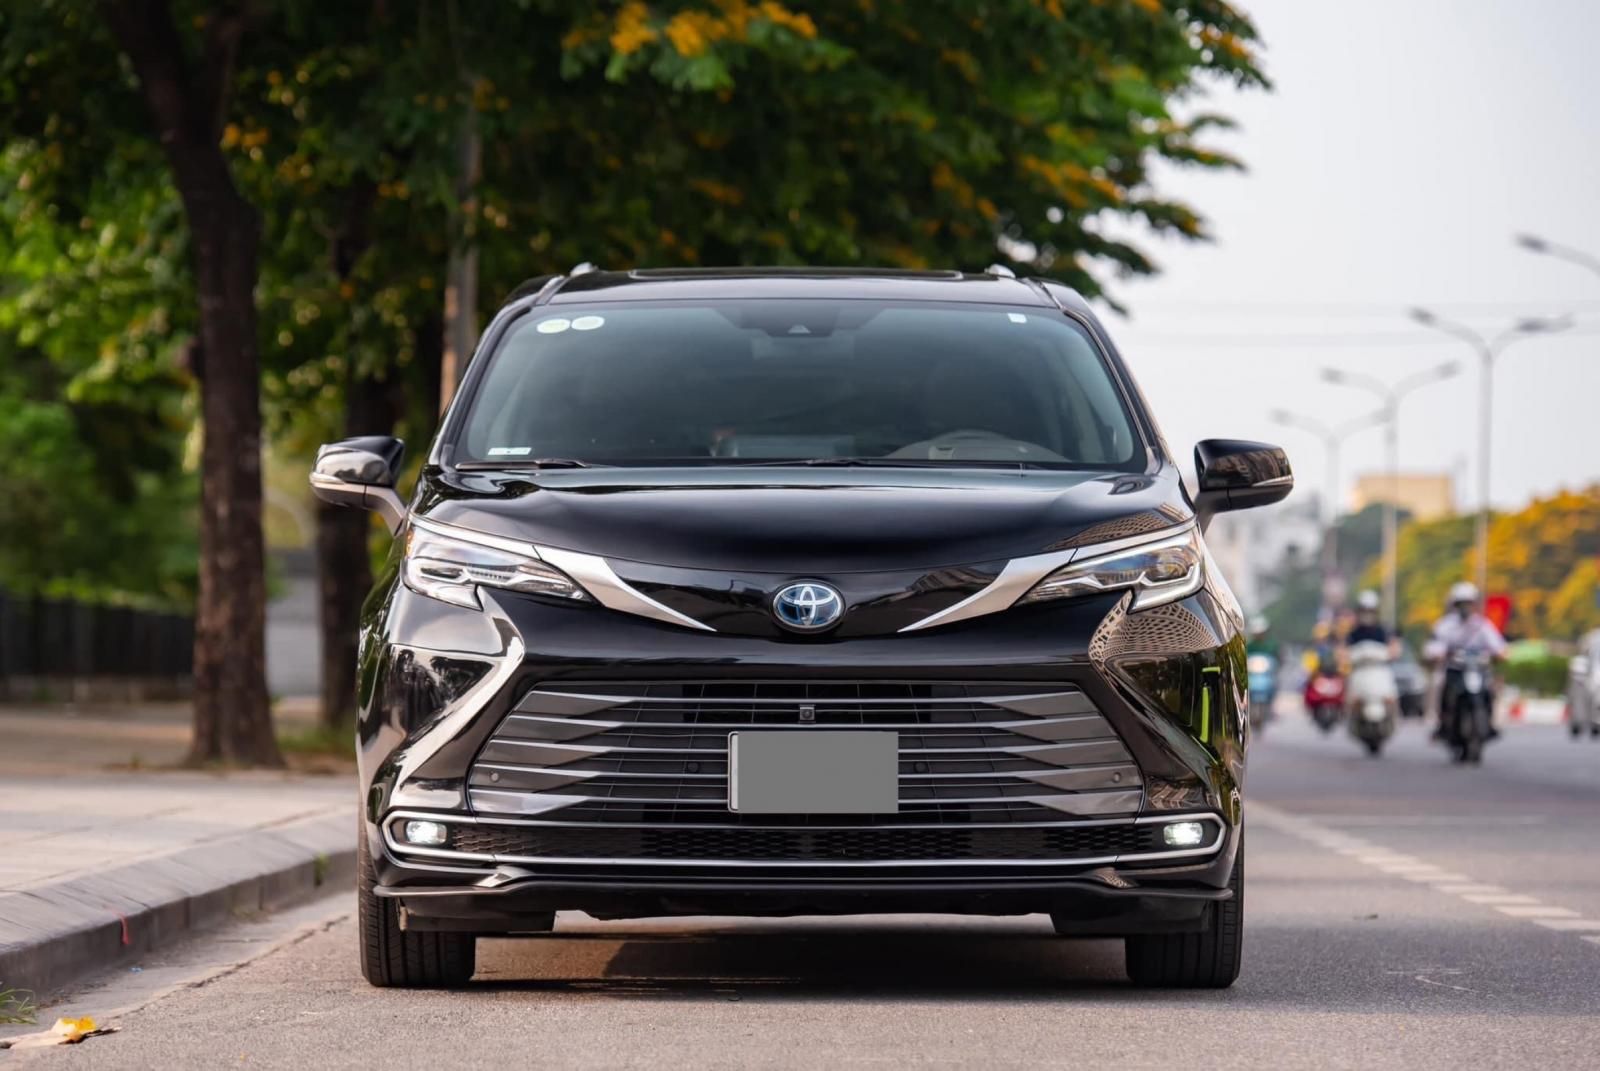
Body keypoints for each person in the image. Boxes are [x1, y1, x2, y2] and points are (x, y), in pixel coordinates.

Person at [1428, 581, 1506, 741]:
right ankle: (1443, 725)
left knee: (1490, 691)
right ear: (1455, 605)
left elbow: (1497, 645)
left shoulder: (1482, 625)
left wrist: (1501, 653)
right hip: (1455, 670)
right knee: (1441, 688)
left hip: (1477, 669)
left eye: (1468, 603)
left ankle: (1489, 723)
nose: (1465, 608)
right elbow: (1435, 646)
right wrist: (1438, 653)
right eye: (1462, 604)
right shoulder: (1446, 625)